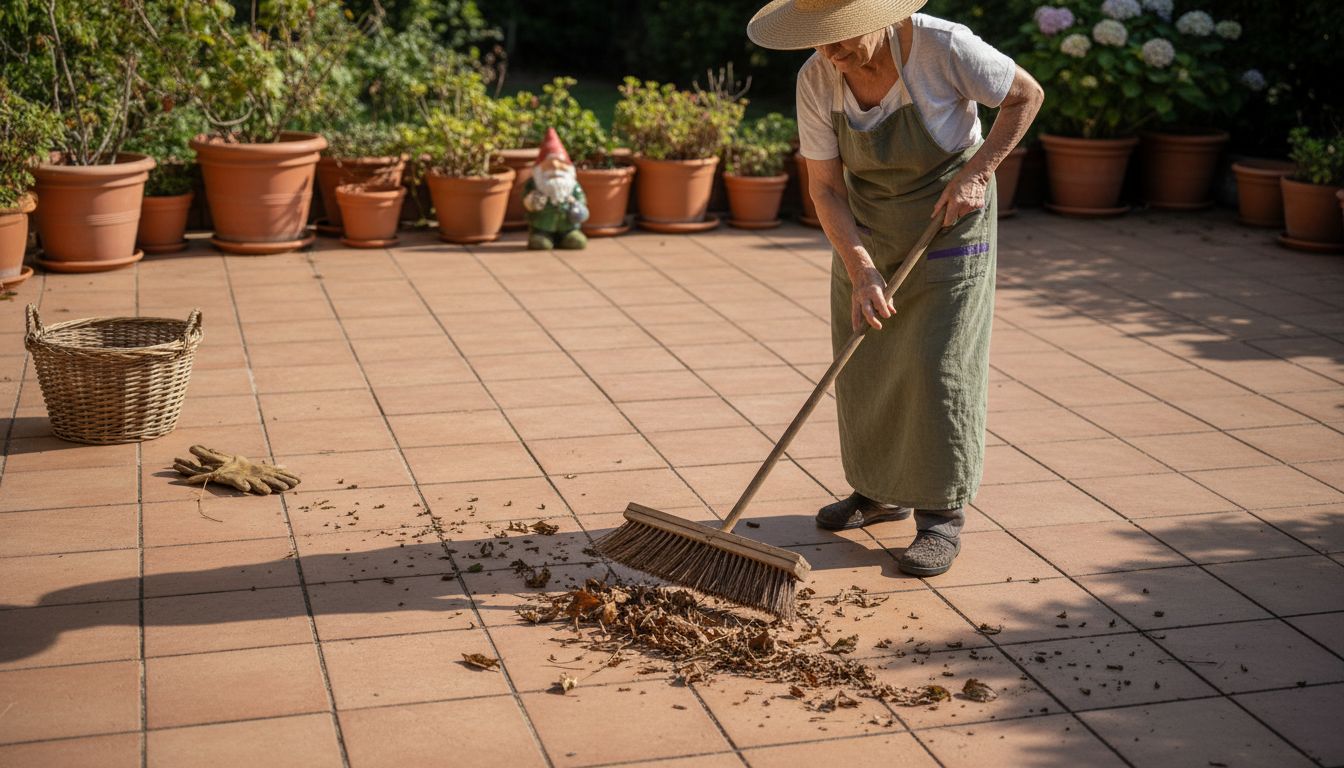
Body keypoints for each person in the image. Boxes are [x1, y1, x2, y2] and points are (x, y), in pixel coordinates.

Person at [747, 0, 1043, 576]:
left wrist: (978, 171)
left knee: (937, 364)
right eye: (820, 41)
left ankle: (941, 516)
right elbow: (826, 189)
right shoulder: (816, 77)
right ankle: (879, 491)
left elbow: (1025, 96)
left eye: (841, 37)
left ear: (878, 16)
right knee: (868, 362)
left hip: (949, 220)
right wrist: (861, 270)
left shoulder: (943, 46)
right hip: (867, 231)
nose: (831, 53)